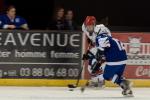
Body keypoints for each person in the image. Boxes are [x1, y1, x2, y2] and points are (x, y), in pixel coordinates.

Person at [94, 24, 133, 96]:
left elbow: (102, 47)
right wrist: (99, 62)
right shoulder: (113, 39)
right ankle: (127, 89)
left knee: (107, 76)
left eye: (96, 33)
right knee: (117, 77)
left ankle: (124, 82)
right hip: (123, 60)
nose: (95, 34)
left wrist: (98, 62)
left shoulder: (101, 37)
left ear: (98, 31)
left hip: (114, 60)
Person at [82, 16, 105, 88]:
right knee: (89, 67)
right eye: (87, 26)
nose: (88, 28)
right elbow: (88, 35)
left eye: (91, 26)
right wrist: (89, 39)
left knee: (94, 64)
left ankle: (101, 81)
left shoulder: (99, 30)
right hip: (96, 47)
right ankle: (95, 81)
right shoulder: (83, 27)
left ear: (94, 25)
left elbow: (102, 46)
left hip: (102, 48)